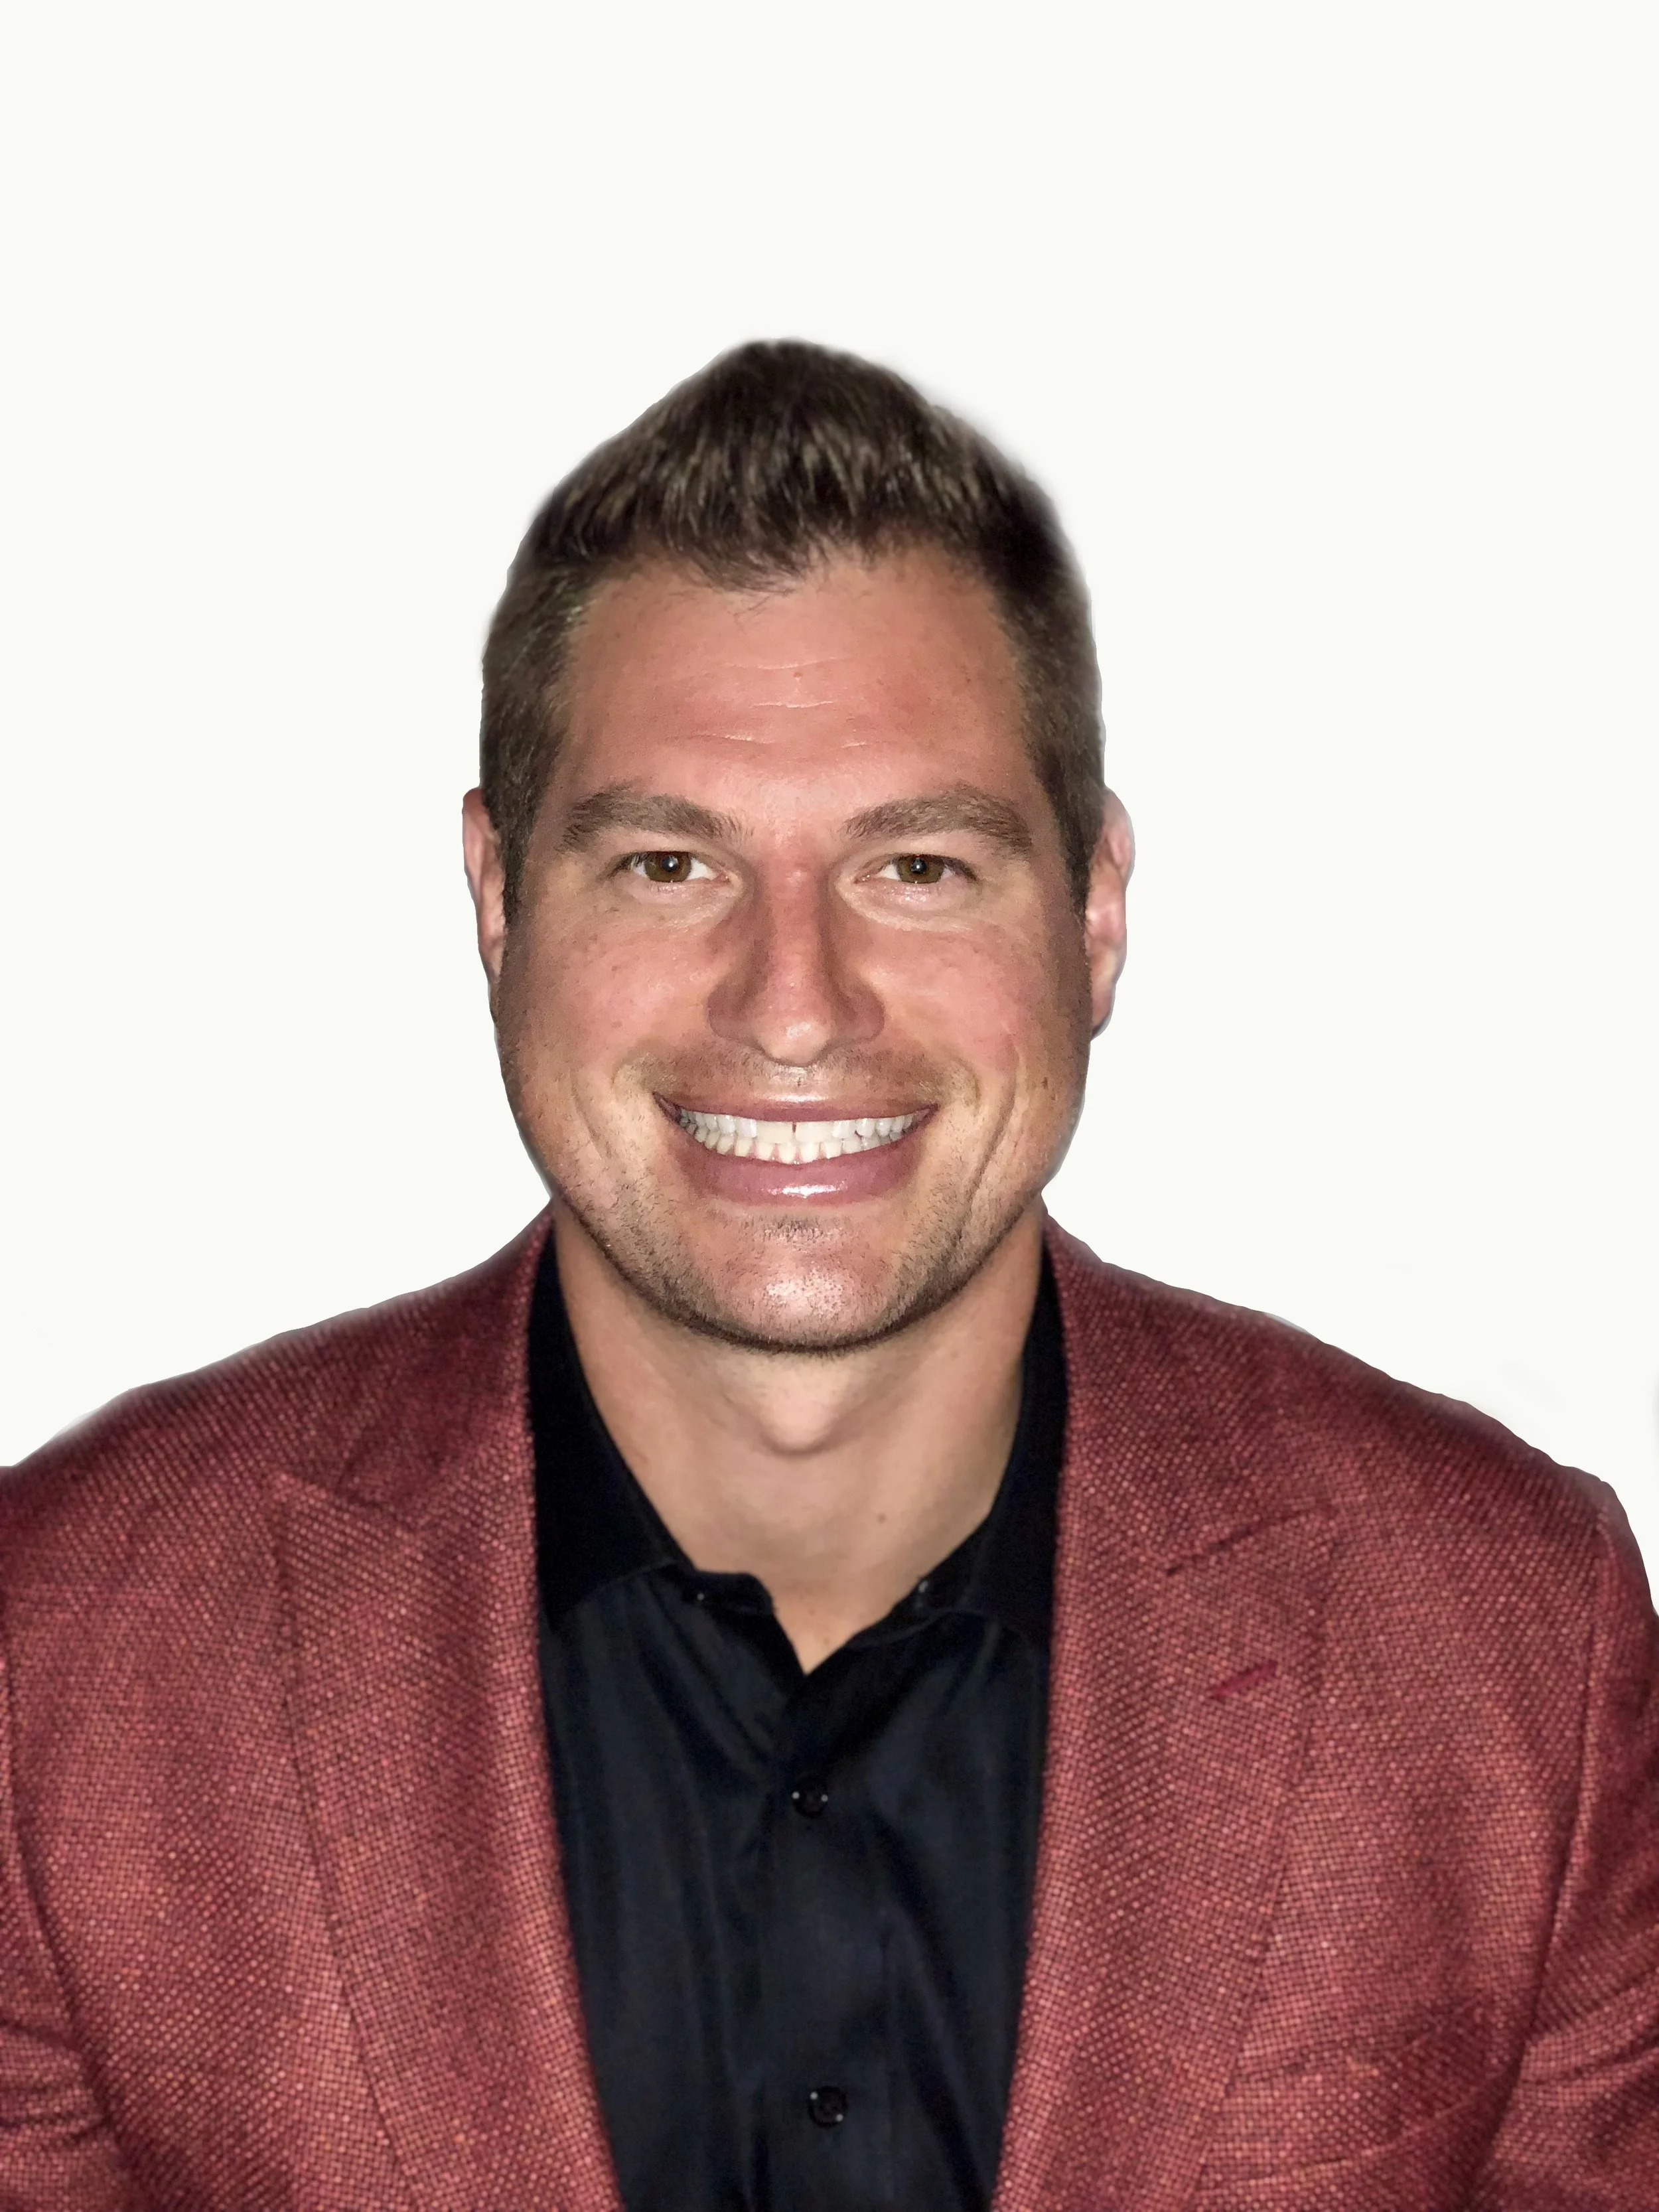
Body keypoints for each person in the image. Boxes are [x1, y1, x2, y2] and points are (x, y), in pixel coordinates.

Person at [1, 342, 1654, 2212]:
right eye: (664, 864)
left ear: (1093, 910)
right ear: (494, 901)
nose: (791, 1004)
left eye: (919, 867)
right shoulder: (61, 1660)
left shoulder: (1511, 1646)